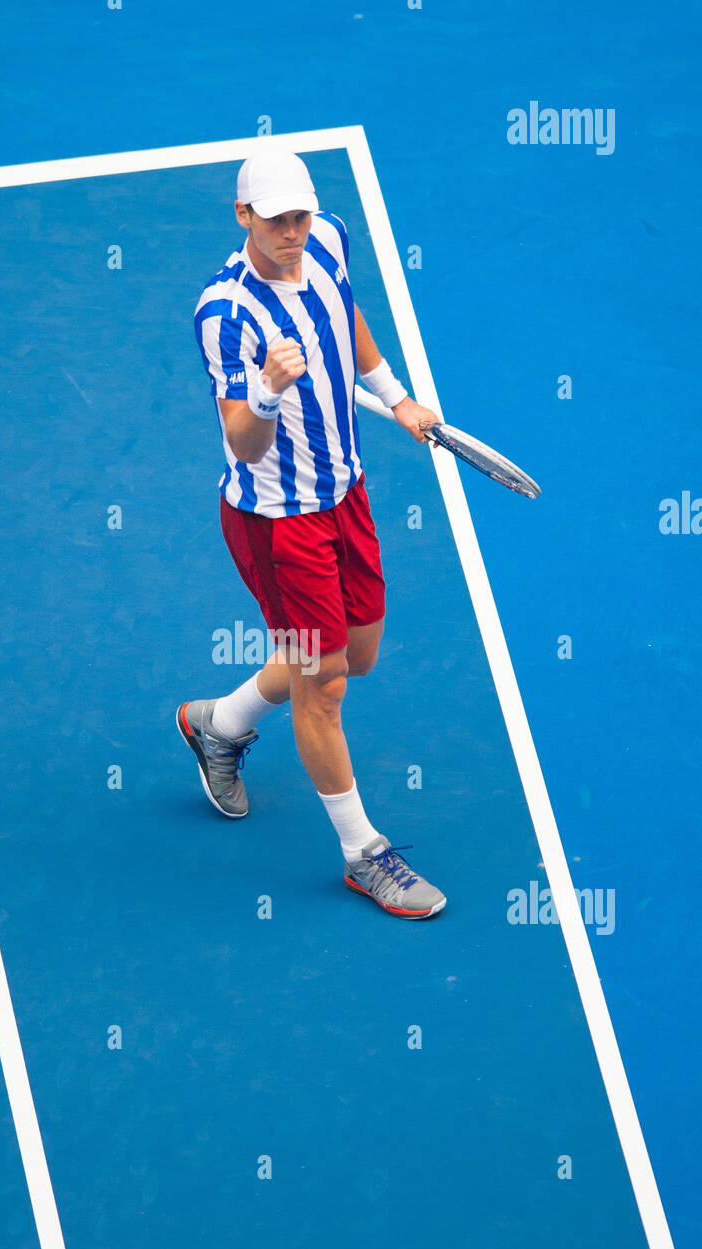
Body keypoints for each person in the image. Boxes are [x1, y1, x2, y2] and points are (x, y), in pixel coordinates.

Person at [179, 145, 447, 918]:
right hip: (277, 526)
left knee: (351, 657)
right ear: (243, 217)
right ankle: (364, 854)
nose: (292, 232)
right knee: (322, 685)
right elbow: (242, 441)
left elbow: (345, 313)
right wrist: (266, 391)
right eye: (275, 221)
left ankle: (218, 724)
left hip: (345, 499)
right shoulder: (224, 315)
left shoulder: (326, 239)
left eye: (298, 216)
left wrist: (395, 397)